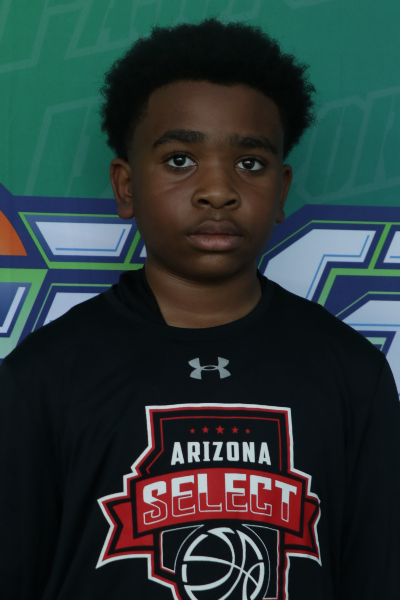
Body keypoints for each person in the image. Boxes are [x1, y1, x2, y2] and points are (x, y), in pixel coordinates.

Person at [0, 18, 399, 600]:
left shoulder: (352, 373)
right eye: (180, 159)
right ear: (125, 186)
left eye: (251, 163)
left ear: (283, 189)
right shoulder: (44, 375)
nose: (218, 190)